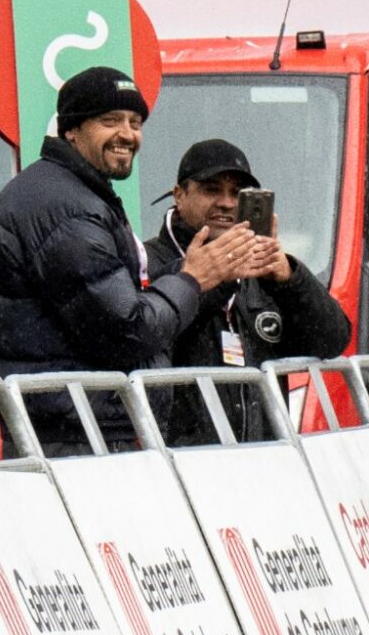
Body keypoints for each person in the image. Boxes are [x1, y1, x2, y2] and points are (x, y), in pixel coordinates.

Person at [0, 66, 272, 453]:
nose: (127, 134)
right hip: (74, 435)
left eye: (135, 122)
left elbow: (116, 300)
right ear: (71, 130)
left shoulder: (74, 194)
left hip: (76, 424)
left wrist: (213, 275)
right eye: (109, 120)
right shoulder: (67, 208)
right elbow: (127, 328)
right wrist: (193, 279)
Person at [144, 137, 351, 442]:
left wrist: (289, 277)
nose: (227, 203)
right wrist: (217, 277)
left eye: (237, 193)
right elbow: (145, 337)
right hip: (180, 468)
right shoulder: (147, 262)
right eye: (211, 189)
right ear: (179, 195)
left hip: (261, 465)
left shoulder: (262, 271)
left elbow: (333, 340)